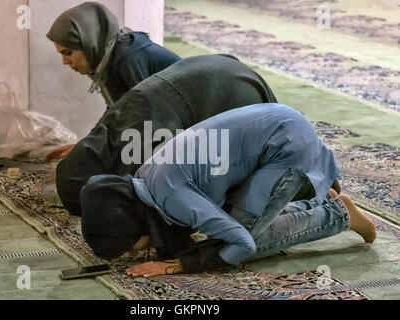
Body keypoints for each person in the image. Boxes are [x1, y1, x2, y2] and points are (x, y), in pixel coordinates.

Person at [80, 103, 377, 276]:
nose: (134, 253)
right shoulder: (145, 176)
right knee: (223, 228)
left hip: (286, 147)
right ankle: (317, 201)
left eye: (130, 246)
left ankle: (339, 216)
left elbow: (242, 242)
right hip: (276, 124)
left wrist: (178, 264)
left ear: (132, 223)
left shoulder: (172, 196)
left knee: (243, 240)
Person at [53, 54, 278, 216]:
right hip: (222, 68)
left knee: (241, 206)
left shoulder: (140, 145)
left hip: (231, 93)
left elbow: (167, 192)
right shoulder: (115, 128)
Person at [45, 2, 181, 162]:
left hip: (195, 128)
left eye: (68, 53)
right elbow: (116, 112)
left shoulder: (127, 59)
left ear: (90, 41)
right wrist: (85, 144)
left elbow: (141, 120)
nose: (65, 62)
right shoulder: (110, 58)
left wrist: (91, 147)